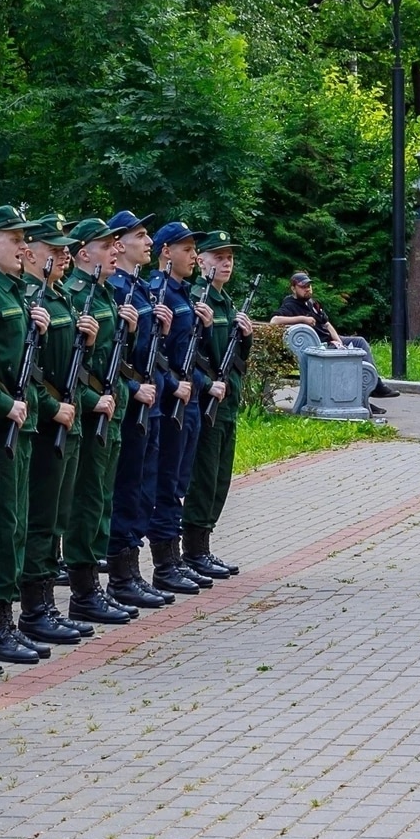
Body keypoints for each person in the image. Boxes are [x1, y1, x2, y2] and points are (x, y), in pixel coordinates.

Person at [0, 206, 53, 662]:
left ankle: (8, 620)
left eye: (26, 239)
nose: (25, 247)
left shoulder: (16, 291)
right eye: (15, 238)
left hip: (22, 421)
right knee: (0, 524)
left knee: (18, 521)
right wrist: (4, 405)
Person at [18, 221, 92, 647]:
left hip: (68, 417)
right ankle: (34, 607)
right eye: (55, 248)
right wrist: (51, 408)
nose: (65, 255)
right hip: (45, 424)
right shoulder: (31, 298)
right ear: (31, 252)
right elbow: (25, 373)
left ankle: (46, 602)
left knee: (57, 515)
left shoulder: (60, 296)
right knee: (40, 519)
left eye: (67, 249)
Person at [61, 218, 134, 627]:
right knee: (87, 504)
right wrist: (92, 400)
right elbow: (68, 365)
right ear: (83, 253)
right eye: (106, 246)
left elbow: (112, 357)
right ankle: (84, 590)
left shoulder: (104, 294)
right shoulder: (75, 295)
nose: (115, 252)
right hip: (90, 414)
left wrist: (134, 330)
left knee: (101, 500)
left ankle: (92, 587)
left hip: (111, 409)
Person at [104, 214, 173, 607]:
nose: (148, 242)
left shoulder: (141, 288)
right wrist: (133, 388)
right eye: (140, 236)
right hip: (132, 405)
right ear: (119, 244)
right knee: (126, 490)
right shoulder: (116, 289)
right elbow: (109, 357)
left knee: (144, 490)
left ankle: (133, 570)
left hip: (151, 402)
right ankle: (121, 576)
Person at [182, 230, 254, 578]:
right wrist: (207, 385)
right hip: (207, 400)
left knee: (221, 477)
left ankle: (204, 545)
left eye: (230, 258)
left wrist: (247, 337)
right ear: (201, 262)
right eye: (218, 257)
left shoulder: (225, 302)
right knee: (205, 477)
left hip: (228, 401)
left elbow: (235, 359)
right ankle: (194, 550)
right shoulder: (199, 299)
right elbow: (192, 356)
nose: (226, 263)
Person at [146, 221, 210, 594]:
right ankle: (164, 563)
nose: (193, 256)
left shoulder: (183, 293)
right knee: (166, 482)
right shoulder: (159, 293)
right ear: (165, 252)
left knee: (178, 481)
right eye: (186, 249)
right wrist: (173, 385)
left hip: (188, 399)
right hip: (171, 402)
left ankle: (174, 558)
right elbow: (155, 353)